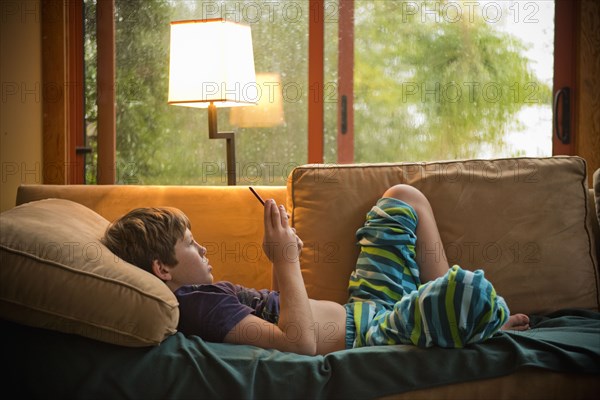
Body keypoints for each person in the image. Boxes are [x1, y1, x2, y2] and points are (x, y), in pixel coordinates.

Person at [101, 184, 529, 355]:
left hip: (369, 307)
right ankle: (468, 320)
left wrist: (281, 259)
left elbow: (280, 313)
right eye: (191, 245)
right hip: (371, 334)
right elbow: (298, 343)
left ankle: (440, 314)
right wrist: (286, 260)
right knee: (470, 291)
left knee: (403, 199)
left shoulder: (202, 296)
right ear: (162, 268)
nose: (204, 248)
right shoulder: (197, 306)